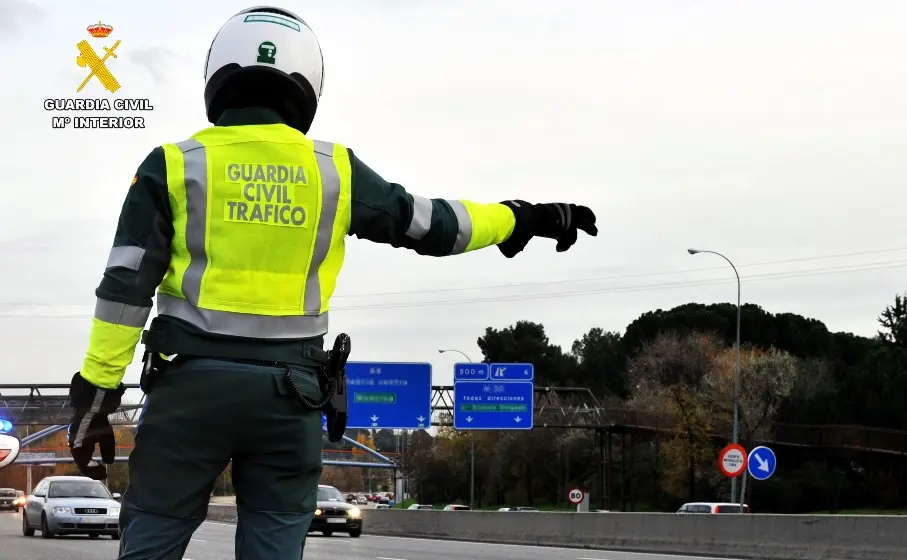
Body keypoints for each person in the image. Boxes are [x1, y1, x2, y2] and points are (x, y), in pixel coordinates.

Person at [66, 5, 597, 560]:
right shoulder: (333, 171)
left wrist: (96, 395)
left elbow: (124, 288)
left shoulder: (174, 164)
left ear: (218, 75)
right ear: (306, 83)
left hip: (188, 393)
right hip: (288, 399)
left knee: (152, 537)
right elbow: (435, 224)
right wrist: (522, 217)